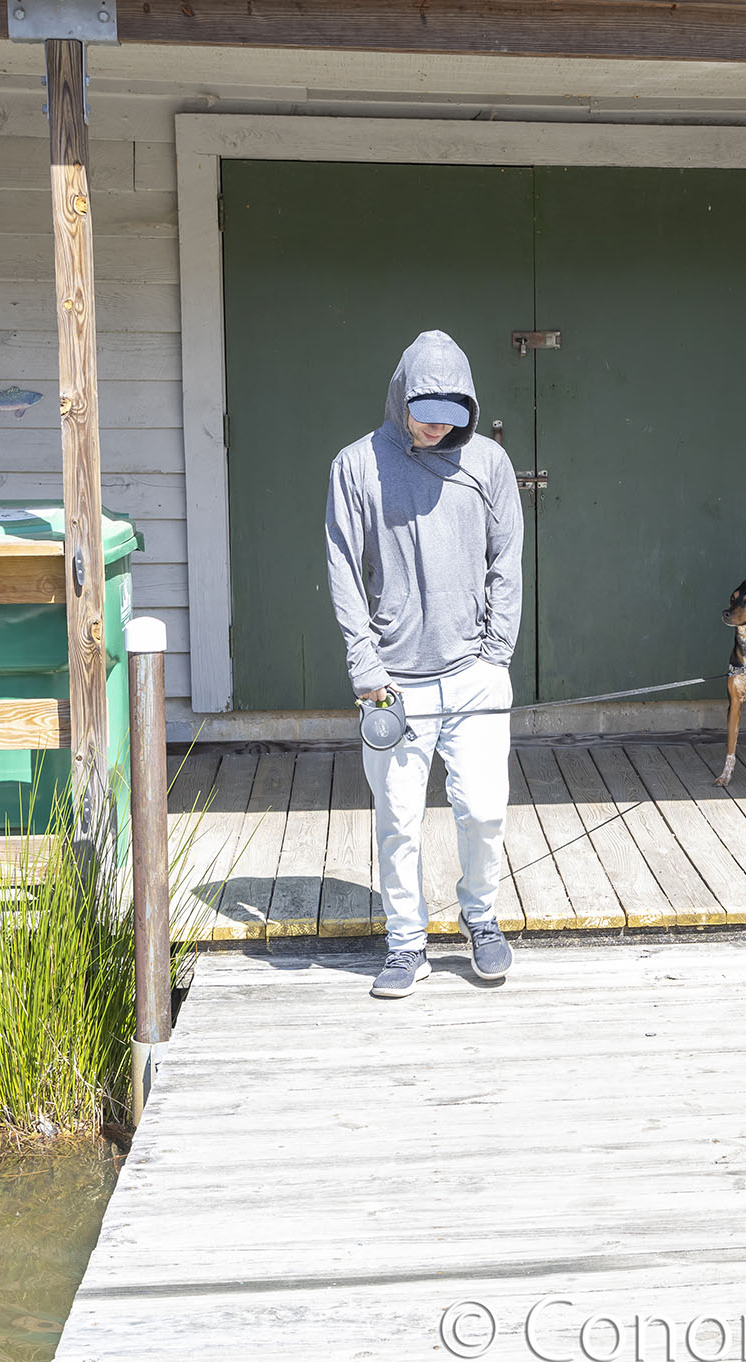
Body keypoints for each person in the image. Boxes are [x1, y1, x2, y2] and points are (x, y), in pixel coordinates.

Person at [326, 330, 523, 999]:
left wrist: (497, 654)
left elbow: (507, 560)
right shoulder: (356, 465)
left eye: (451, 413)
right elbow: (343, 569)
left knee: (484, 811)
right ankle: (406, 943)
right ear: (399, 398)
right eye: (424, 412)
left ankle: (481, 917)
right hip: (392, 682)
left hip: (474, 674)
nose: (438, 426)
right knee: (398, 820)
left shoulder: (489, 463)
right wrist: (365, 667)